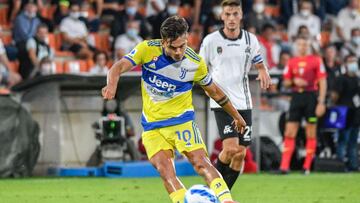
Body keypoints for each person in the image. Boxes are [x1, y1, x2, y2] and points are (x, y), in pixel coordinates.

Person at [102, 15, 243, 203]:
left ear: (187, 39)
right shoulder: (146, 49)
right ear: (163, 42)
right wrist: (112, 85)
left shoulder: (195, 63)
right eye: (173, 47)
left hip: (182, 122)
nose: (178, 52)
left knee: (201, 163)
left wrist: (236, 116)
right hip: (153, 126)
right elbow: (118, 66)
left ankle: (227, 200)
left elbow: (215, 93)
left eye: (182, 45)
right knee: (165, 170)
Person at [199, 0, 271, 190]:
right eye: (228, 14)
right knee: (230, 149)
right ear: (222, 16)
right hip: (221, 102)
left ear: (241, 16)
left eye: (235, 14)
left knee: (240, 154)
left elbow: (258, 60)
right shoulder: (210, 41)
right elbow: (199, 68)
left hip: (244, 101)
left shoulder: (250, 40)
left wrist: (263, 70)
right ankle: (213, 189)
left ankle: (222, 195)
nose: (231, 18)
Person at [279, 36, 327, 174]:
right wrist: (295, 81)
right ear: (296, 46)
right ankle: (284, 166)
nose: (302, 46)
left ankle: (307, 166)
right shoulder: (291, 62)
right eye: (300, 44)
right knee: (289, 131)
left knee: (310, 131)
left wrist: (321, 102)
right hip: (296, 98)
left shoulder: (316, 60)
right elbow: (286, 81)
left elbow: (323, 81)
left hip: (311, 97)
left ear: (308, 45)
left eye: (305, 44)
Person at [331, 54, 360, 171]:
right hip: (344, 113)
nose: (353, 64)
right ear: (345, 64)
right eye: (350, 61)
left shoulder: (358, 79)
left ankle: (353, 165)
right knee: (343, 140)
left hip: (357, 113)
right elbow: (334, 96)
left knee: (353, 141)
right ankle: (340, 164)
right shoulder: (341, 79)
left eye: (354, 61)